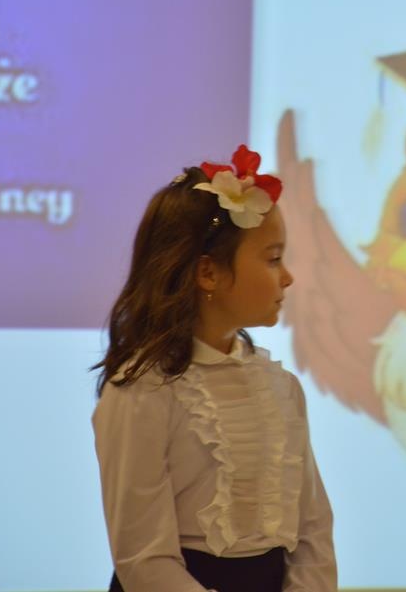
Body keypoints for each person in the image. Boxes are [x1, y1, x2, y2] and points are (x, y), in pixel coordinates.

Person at [92, 145, 337, 592]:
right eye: (272, 258)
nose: (287, 277)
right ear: (208, 273)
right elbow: (143, 560)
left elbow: (313, 532)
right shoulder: (142, 392)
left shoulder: (281, 387)